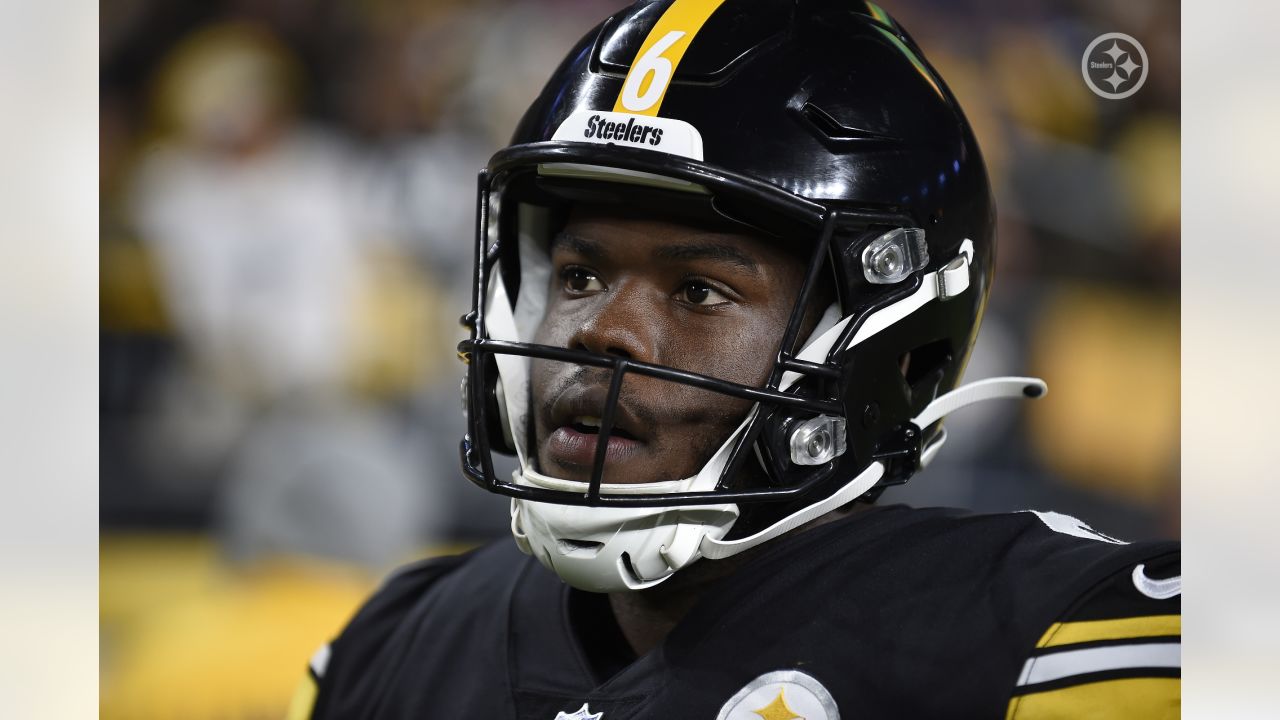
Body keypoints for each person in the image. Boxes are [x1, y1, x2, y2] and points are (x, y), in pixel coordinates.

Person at [288, 2, 1180, 718]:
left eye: (700, 292)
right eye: (579, 272)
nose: (604, 331)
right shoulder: (390, 651)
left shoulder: (1049, 637)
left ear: (899, 354)